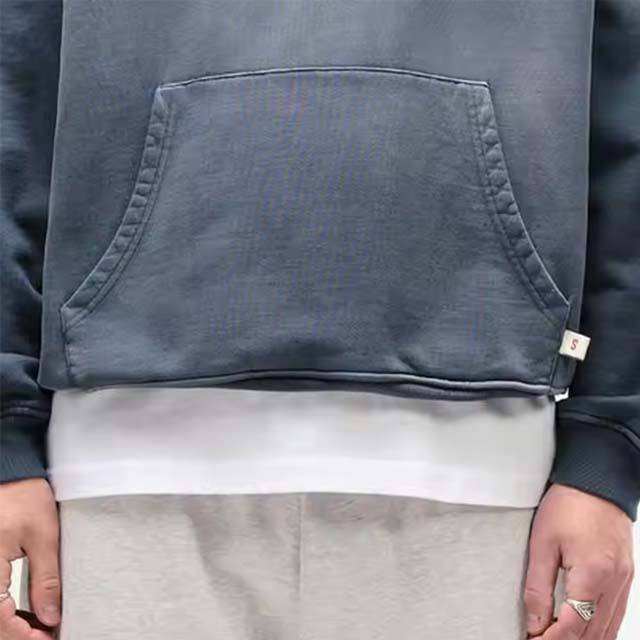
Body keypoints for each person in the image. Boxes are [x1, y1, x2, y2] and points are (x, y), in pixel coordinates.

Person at [1, 1, 638, 639]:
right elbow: (14, 86)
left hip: (482, 483)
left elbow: (627, 101)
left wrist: (606, 453)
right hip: (121, 480)